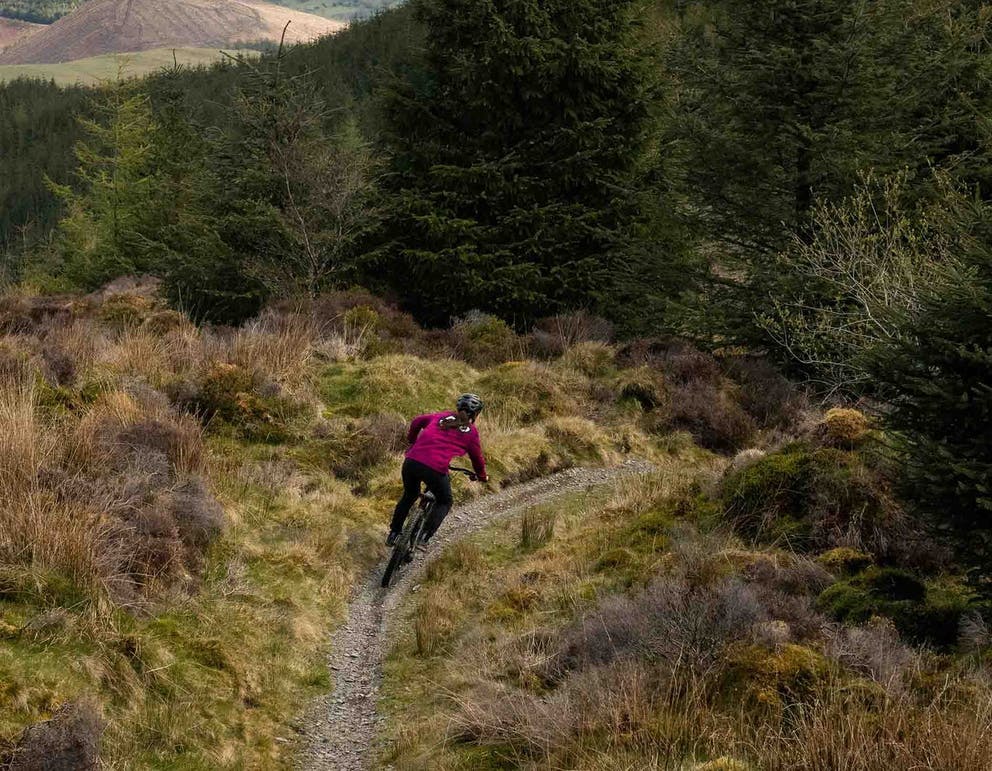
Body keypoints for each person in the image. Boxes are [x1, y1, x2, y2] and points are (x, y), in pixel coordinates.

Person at [387, 393, 488, 547]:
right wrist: (482, 476)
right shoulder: (471, 432)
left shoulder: (443, 416)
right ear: (475, 414)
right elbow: (477, 459)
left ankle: (394, 532)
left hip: (411, 461)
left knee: (409, 494)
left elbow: (416, 421)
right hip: (435, 468)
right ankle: (424, 537)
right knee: (445, 501)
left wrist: (412, 441)